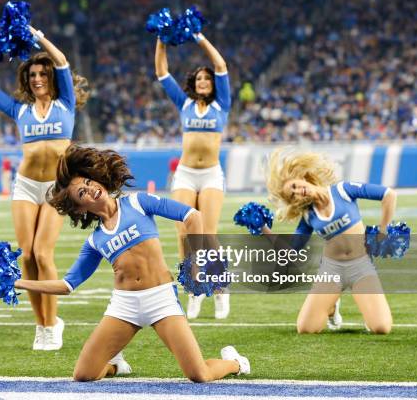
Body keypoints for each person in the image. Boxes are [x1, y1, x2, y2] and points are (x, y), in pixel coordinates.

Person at [13, 145, 250, 381]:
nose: (90, 189)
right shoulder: (94, 241)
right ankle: (116, 366)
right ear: (79, 208)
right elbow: (67, 285)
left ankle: (235, 362)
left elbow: (192, 217)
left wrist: (196, 263)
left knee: (199, 374)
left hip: (161, 299)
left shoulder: (138, 202)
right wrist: (20, 283)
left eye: (88, 182)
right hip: (124, 306)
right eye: (81, 194)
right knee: (84, 374)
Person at [0, 24, 89, 350]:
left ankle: (53, 324)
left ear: (50, 77)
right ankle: (40, 323)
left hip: (57, 188)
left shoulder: (65, 103)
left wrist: (37, 35)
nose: (37, 78)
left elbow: (63, 60)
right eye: (32, 74)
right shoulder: (20, 109)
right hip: (25, 186)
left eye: (42, 73)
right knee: (26, 255)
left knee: (43, 253)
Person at [262, 149, 396, 334]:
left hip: (361, 266)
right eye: (292, 195)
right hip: (332, 269)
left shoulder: (342, 191)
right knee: (306, 329)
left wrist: (383, 230)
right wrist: (263, 229)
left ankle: (349, 305)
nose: (297, 192)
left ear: (302, 178)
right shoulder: (308, 217)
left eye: (294, 186)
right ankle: (332, 306)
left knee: (381, 328)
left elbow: (388, 194)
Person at [154, 30, 231, 319]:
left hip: (211, 175)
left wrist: (198, 37)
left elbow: (221, 65)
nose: (203, 82)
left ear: (212, 84)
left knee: (207, 233)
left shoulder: (221, 104)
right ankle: (195, 289)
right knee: (184, 232)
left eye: (207, 79)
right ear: (193, 84)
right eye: (198, 79)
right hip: (185, 174)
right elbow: (161, 72)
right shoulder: (184, 103)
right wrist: (161, 38)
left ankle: (221, 288)